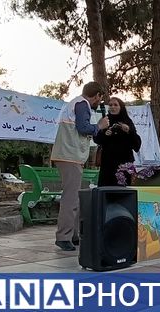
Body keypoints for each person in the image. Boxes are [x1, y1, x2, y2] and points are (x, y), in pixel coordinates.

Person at [50, 81, 109, 251]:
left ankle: (73, 235)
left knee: (74, 196)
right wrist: (99, 126)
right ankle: (63, 237)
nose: (100, 102)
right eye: (100, 98)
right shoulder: (82, 104)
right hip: (69, 156)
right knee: (70, 197)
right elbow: (83, 128)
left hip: (70, 156)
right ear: (97, 95)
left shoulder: (77, 103)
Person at [93, 97, 141, 187]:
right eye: (110, 105)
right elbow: (96, 139)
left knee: (122, 191)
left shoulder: (127, 121)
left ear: (121, 107)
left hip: (123, 164)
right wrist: (105, 134)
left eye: (115, 105)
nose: (112, 107)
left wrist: (128, 131)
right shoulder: (105, 120)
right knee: (106, 191)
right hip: (107, 164)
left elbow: (136, 144)